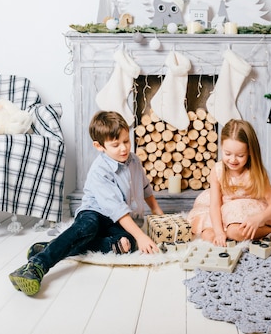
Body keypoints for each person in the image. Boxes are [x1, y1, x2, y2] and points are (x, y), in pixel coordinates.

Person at [9, 110, 164, 296]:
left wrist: (155, 209)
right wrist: (142, 236)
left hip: (117, 221)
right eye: (115, 145)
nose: (123, 148)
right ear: (99, 146)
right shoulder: (100, 171)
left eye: (126, 141)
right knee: (88, 227)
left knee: (127, 244)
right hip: (95, 213)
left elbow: (144, 185)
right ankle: (37, 265)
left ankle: (55, 245)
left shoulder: (134, 161)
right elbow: (117, 210)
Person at [188, 119, 271, 248]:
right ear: (221, 147)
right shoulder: (217, 170)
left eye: (240, 155)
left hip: (249, 209)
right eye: (227, 154)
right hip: (226, 209)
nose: (233, 160)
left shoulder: (255, 172)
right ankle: (238, 238)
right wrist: (218, 232)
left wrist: (259, 219)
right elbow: (215, 205)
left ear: (250, 152)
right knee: (208, 235)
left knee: (234, 231)